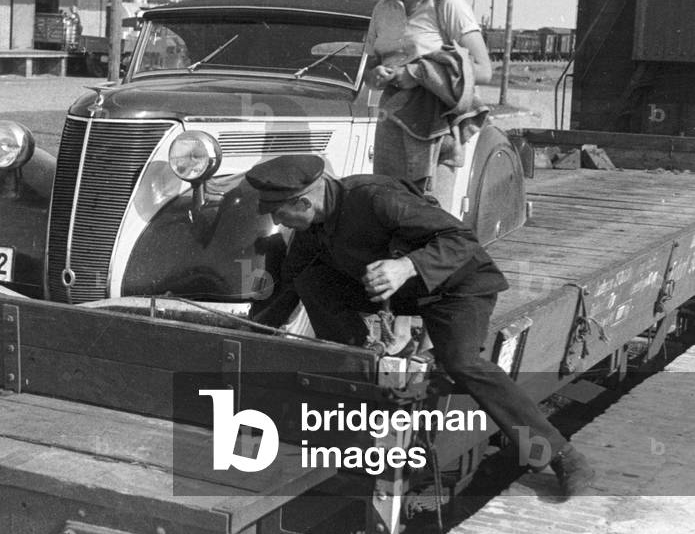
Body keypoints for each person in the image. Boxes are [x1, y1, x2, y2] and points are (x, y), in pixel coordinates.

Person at [246, 154, 595, 497]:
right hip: (399, 295)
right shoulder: (314, 227)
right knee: (309, 279)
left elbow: (460, 239)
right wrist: (255, 334)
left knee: (462, 363)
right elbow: (290, 283)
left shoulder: (376, 198)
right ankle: (365, 365)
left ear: (304, 202)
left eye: (280, 213)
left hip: (456, 290)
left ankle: (561, 455)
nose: (279, 222)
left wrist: (408, 267)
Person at [364, 0, 492, 189]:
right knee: (388, 210)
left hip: (436, 131)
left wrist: (417, 74)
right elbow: (369, 70)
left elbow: (483, 69)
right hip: (391, 127)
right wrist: (375, 75)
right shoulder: (381, 11)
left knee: (431, 219)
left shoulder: (447, 5)